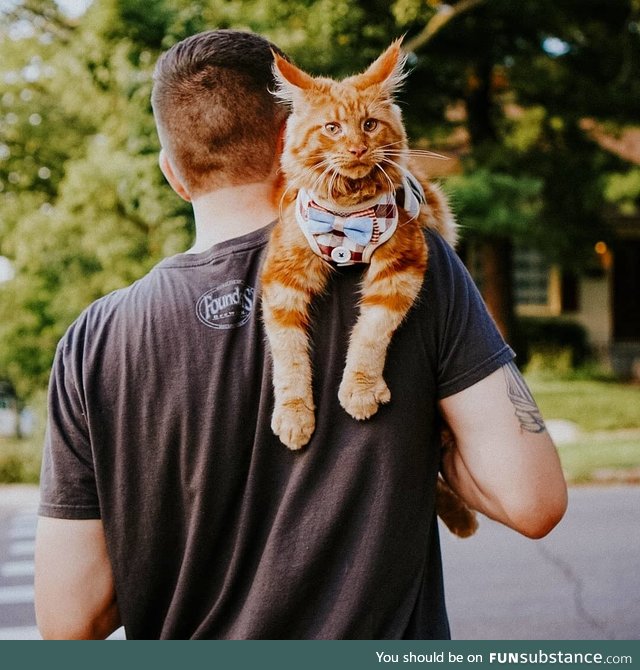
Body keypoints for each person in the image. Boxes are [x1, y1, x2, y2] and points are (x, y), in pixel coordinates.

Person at [34, 29, 567, 640]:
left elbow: (70, 621)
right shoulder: (408, 261)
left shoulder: (92, 342)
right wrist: (423, 439)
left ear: (172, 175)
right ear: (292, 136)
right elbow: (534, 501)